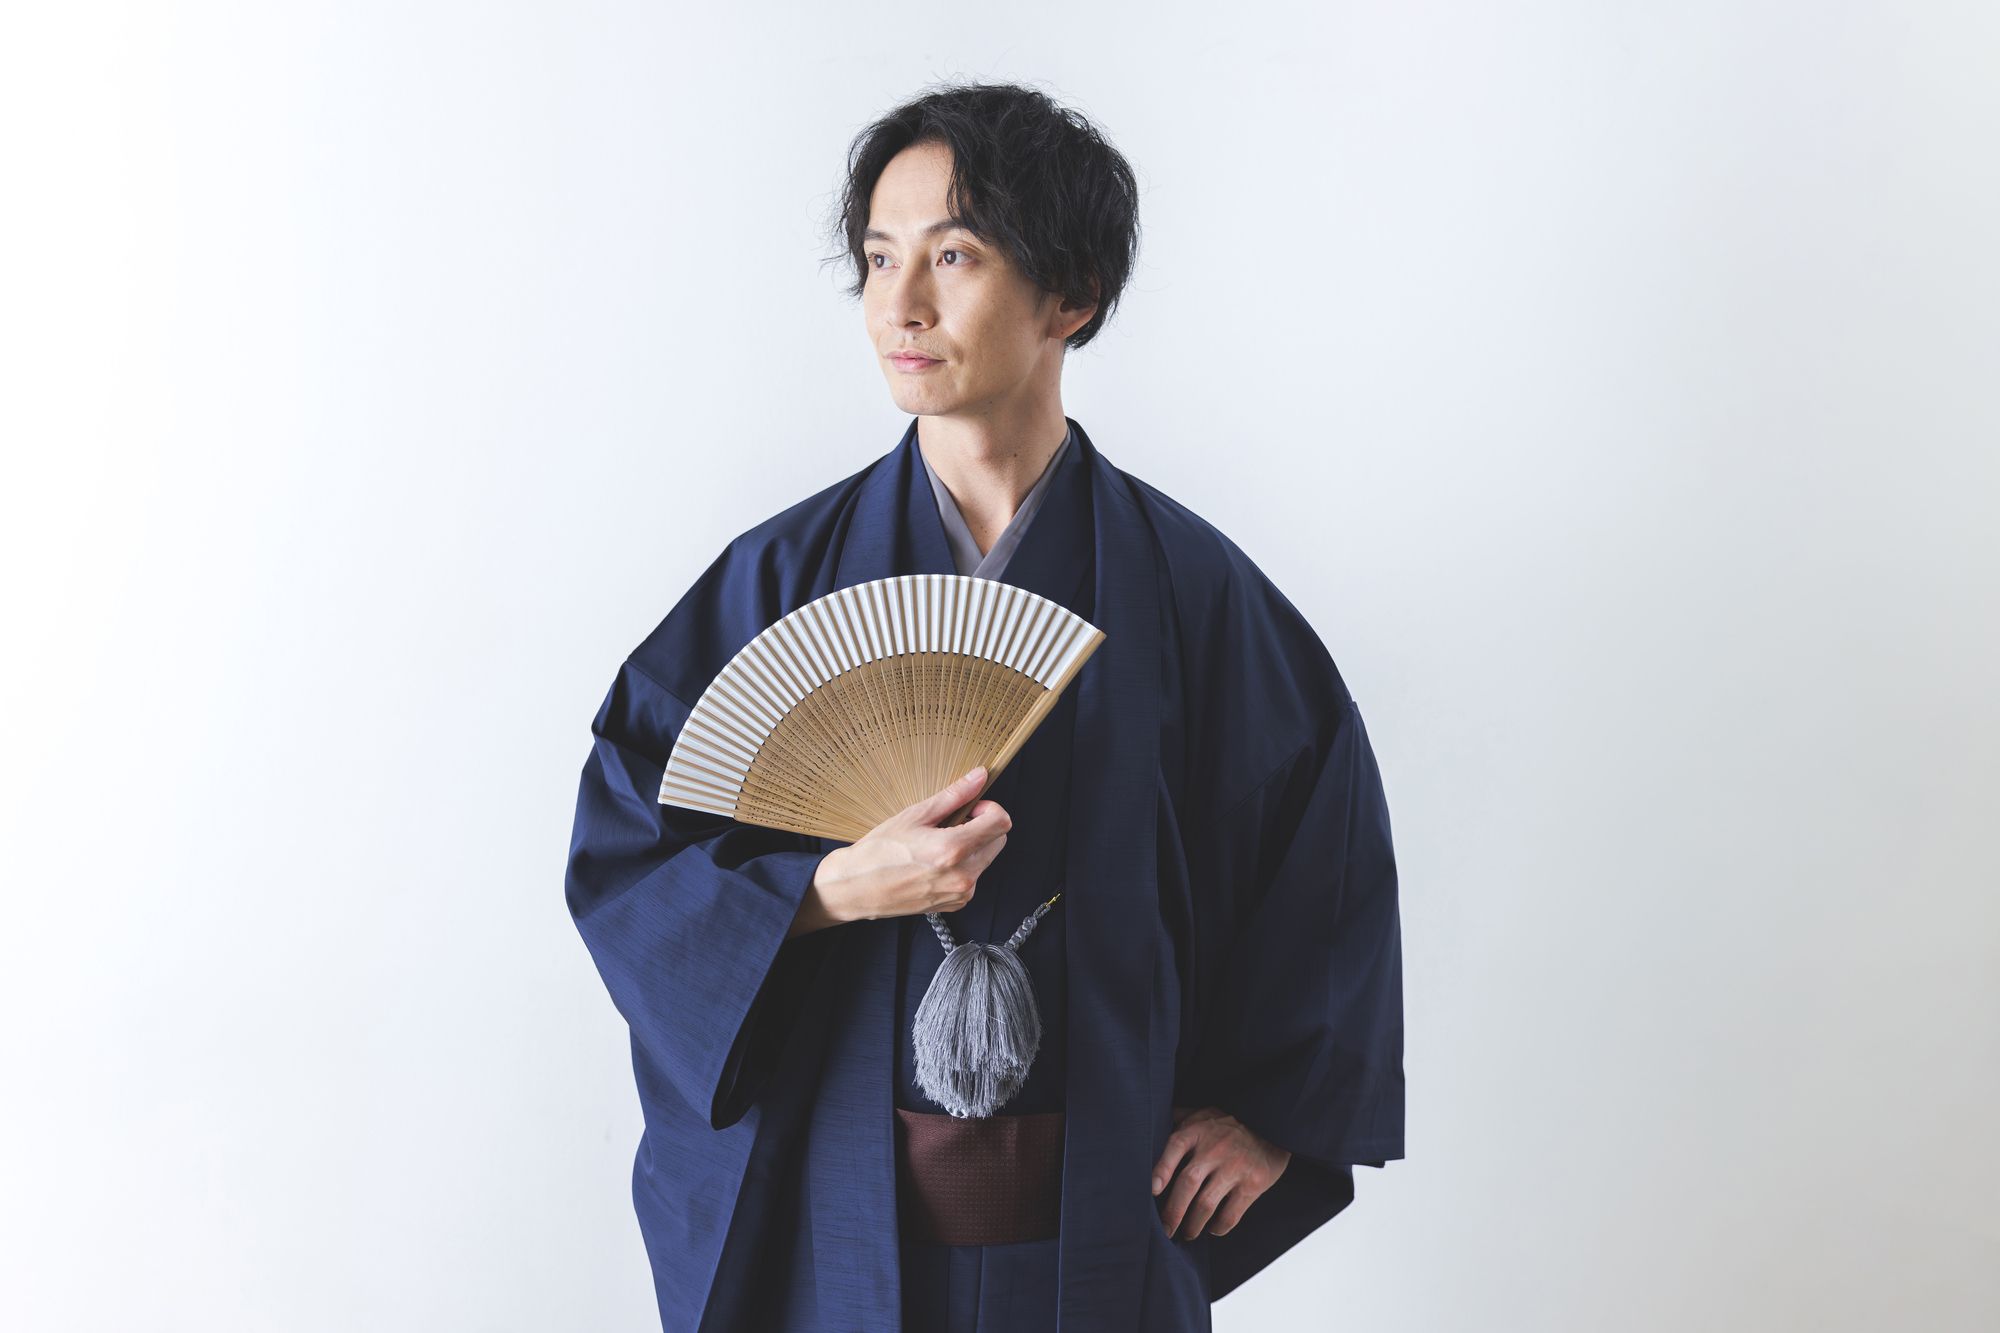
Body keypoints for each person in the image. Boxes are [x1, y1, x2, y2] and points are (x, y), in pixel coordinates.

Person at [564, 80, 1404, 1332]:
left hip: (1099, 1221)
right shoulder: (779, 583)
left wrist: (1275, 1115)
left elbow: (1319, 849)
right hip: (836, 1225)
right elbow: (627, 846)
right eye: (877, 258)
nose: (898, 305)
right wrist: (830, 889)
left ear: (1072, 296)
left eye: (951, 256)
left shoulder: (1189, 590)